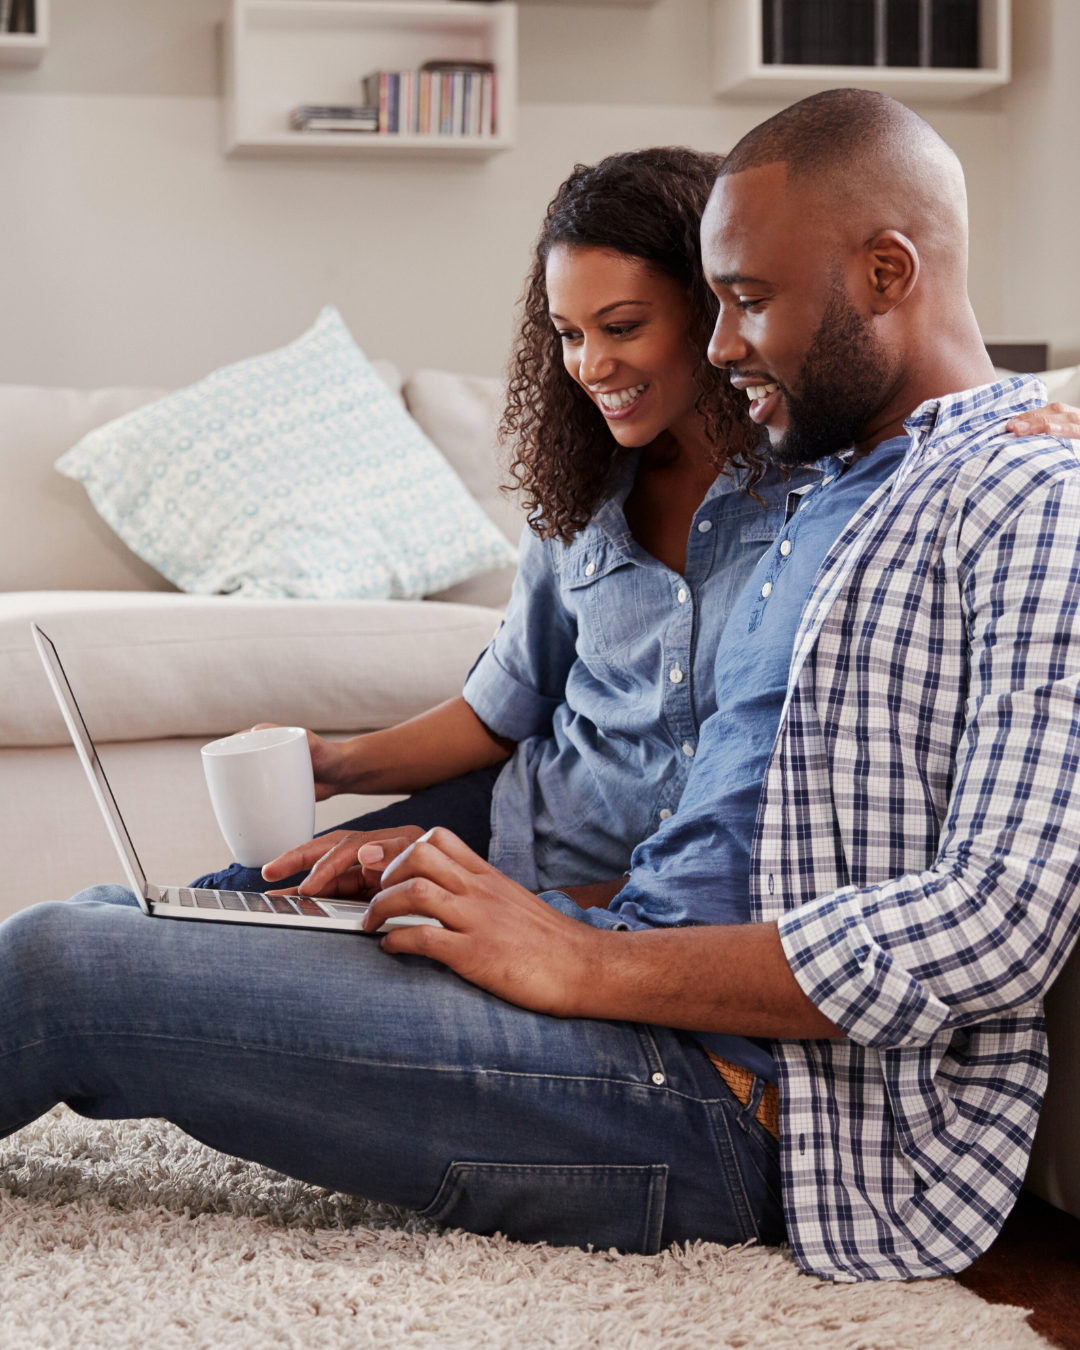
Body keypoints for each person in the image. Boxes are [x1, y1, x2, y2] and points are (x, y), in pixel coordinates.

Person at [5, 90, 1080, 1285]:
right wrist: (526, 906)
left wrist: (585, 964)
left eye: (750, 302)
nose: (721, 347)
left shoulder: (1029, 499)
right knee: (130, 914)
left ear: (888, 272)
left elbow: (996, 925)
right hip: (616, 976)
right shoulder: (820, 490)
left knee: (65, 970)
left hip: (728, 1098)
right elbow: (745, 839)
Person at [193, 148, 818, 904]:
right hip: (532, 825)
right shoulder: (581, 492)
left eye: (621, 327)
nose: (590, 366)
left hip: (672, 891)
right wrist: (338, 765)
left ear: (710, 310)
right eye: (570, 334)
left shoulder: (817, 488)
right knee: (243, 894)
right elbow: (502, 710)